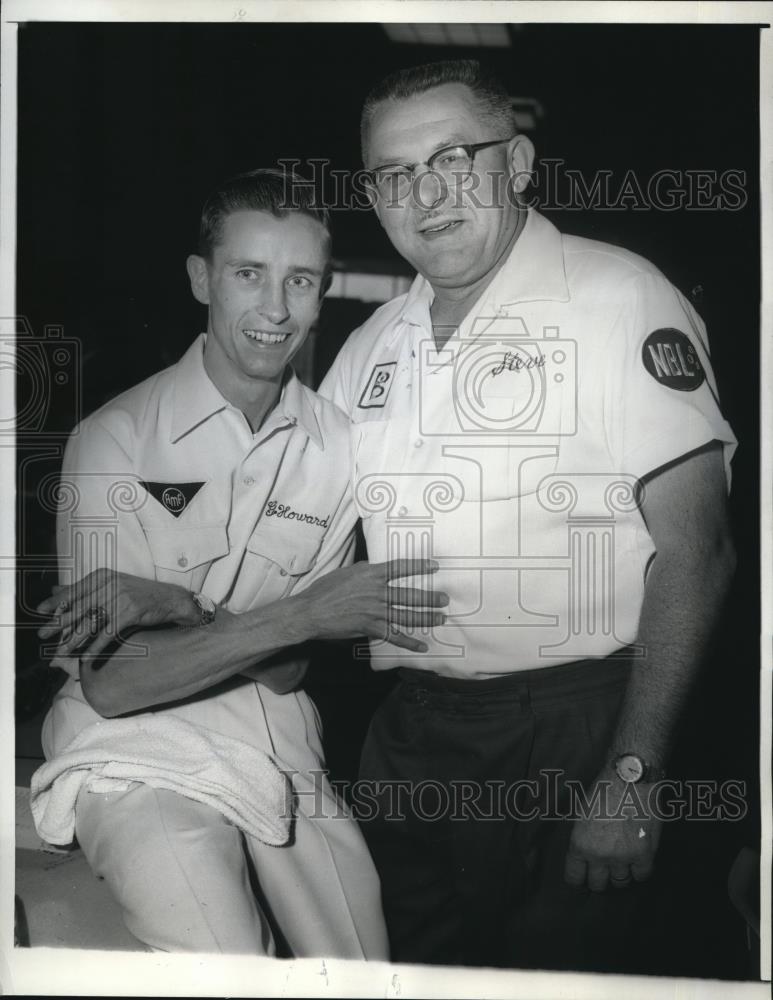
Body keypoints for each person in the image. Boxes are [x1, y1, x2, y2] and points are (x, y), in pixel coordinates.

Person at [315, 59, 738, 970]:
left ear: (518, 163)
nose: (425, 193)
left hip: (577, 727)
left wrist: (631, 776)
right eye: (394, 174)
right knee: (413, 976)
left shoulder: (615, 297)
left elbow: (696, 552)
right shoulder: (367, 347)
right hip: (412, 733)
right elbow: (300, 541)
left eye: (454, 157)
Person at [32, 168, 445, 958]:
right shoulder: (114, 437)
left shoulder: (338, 449)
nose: (275, 310)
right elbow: (117, 682)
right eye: (248, 274)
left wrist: (184, 608)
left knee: (358, 965)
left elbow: (288, 676)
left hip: (279, 742)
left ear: (323, 293)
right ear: (201, 279)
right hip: (133, 751)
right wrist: (297, 615)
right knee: (223, 956)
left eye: (300, 281)